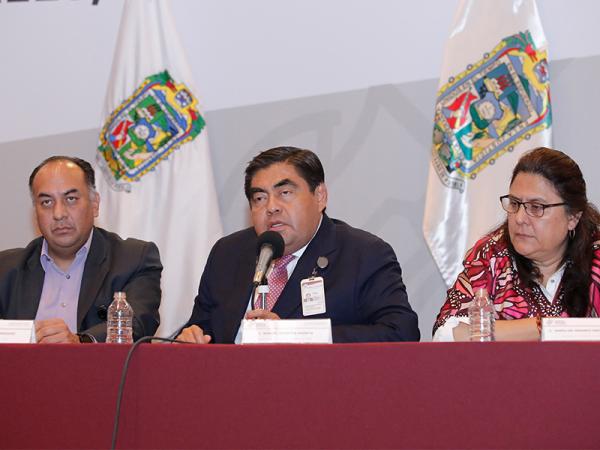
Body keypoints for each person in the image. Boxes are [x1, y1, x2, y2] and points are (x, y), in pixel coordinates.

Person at [178, 146, 420, 343]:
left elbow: (400, 332)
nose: (272, 207)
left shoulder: (363, 254)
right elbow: (202, 327)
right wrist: (192, 337)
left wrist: (296, 336)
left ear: (320, 196)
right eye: (260, 198)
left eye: (285, 193)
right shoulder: (228, 254)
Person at [433, 147, 600, 341]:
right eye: (514, 203)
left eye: (536, 207)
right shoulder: (490, 256)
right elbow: (445, 333)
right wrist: (541, 327)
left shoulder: (596, 257)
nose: (519, 218)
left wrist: (499, 332)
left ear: (572, 217)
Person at [0, 156, 162, 343]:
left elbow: (138, 323)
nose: (59, 214)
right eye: (46, 202)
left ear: (95, 204)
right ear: (36, 212)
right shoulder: (5, 268)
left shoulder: (133, 259)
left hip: (99, 363)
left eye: (71, 199)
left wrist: (81, 341)